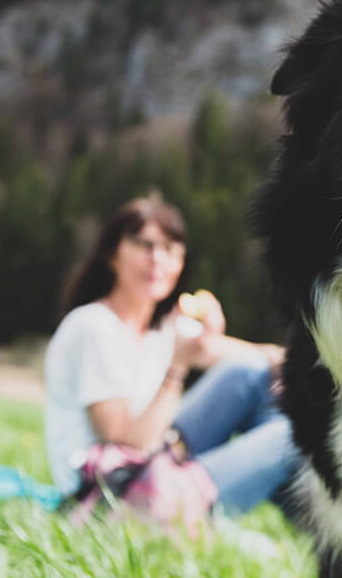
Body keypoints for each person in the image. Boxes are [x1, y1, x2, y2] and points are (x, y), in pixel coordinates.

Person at [43, 192, 296, 524]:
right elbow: (125, 439)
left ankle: (305, 515)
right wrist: (176, 368)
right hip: (111, 492)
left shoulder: (160, 328)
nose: (157, 259)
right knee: (294, 436)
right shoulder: (94, 327)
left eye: (169, 249)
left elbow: (247, 357)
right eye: (143, 245)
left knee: (253, 374)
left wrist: (300, 360)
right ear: (112, 255)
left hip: (154, 462)